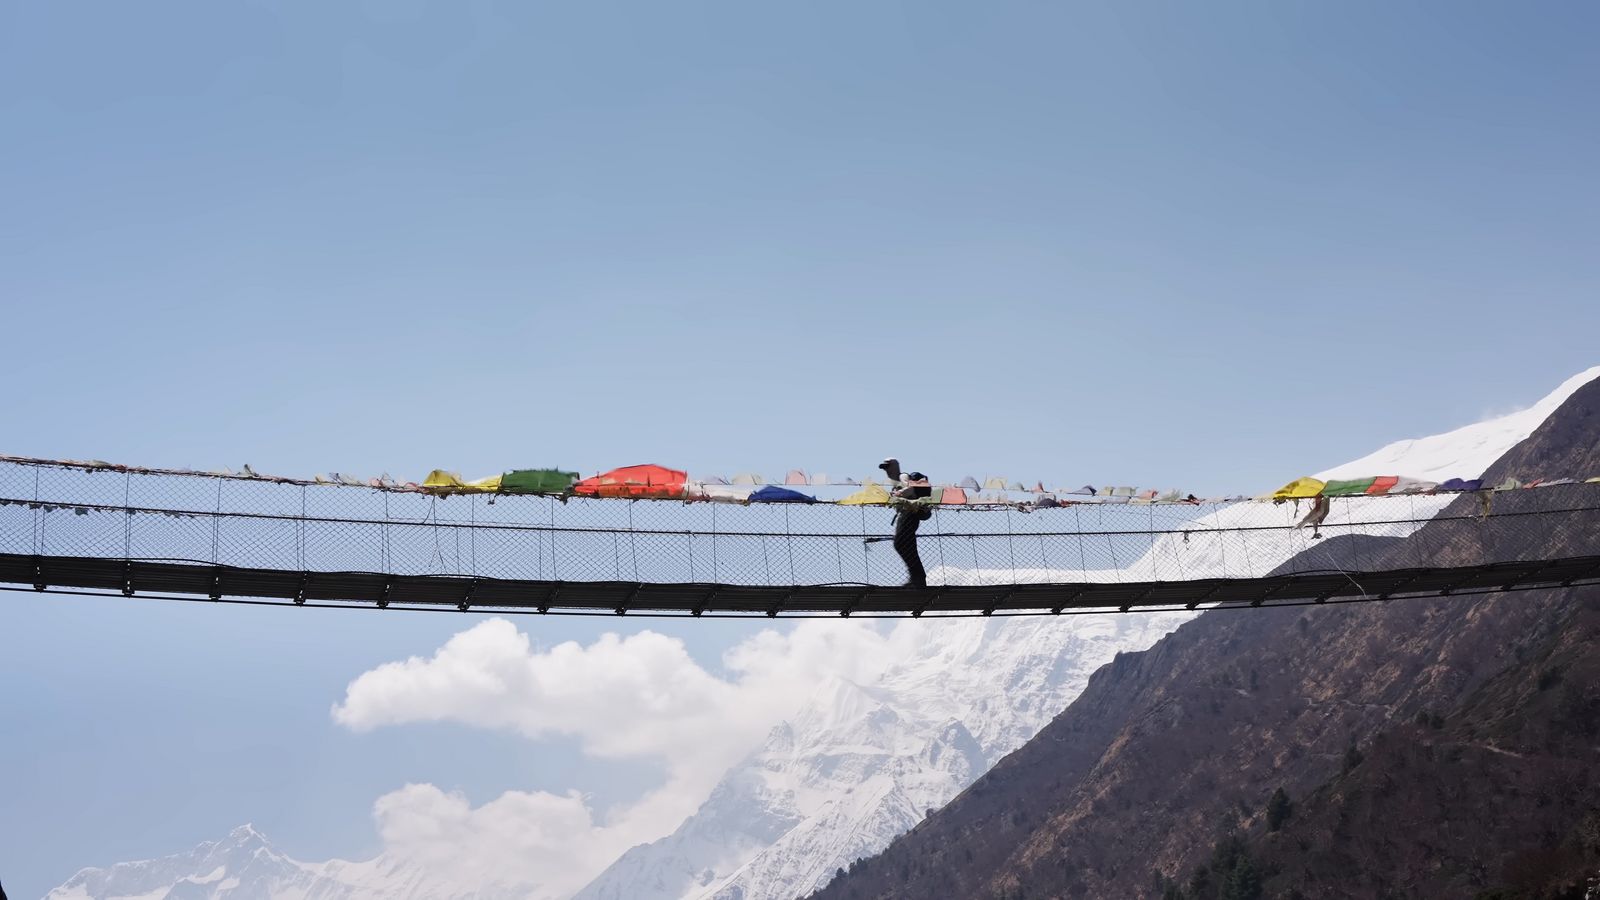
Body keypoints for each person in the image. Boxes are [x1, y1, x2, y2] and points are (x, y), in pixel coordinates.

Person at [879, 457, 932, 588]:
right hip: (908, 512)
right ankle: (918, 579)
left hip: (909, 513)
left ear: (895, 466)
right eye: (885, 468)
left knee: (900, 543)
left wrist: (899, 494)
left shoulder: (902, 476)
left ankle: (917, 578)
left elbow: (912, 488)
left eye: (888, 467)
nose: (887, 470)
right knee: (908, 545)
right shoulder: (896, 480)